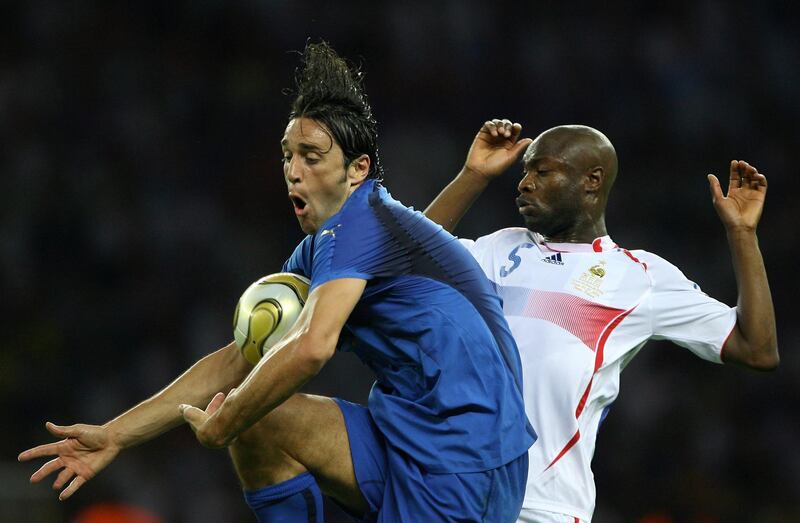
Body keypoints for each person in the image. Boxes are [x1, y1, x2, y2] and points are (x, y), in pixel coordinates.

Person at [19, 44, 535, 522]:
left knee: (245, 410)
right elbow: (237, 358)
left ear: (358, 170)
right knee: (257, 415)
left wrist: (224, 422)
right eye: (288, 155)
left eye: (311, 157)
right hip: (412, 436)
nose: (293, 171)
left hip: (468, 464)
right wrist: (115, 435)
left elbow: (312, 348)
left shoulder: (356, 226)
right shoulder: (339, 241)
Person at [424, 119, 778, 523]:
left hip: (542, 507)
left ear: (592, 180)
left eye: (542, 171)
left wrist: (743, 234)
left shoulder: (640, 276)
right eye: (525, 172)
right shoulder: (496, 249)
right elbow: (405, 260)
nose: (523, 183)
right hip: (452, 492)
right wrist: (473, 175)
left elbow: (757, 348)